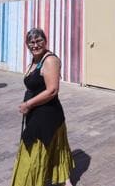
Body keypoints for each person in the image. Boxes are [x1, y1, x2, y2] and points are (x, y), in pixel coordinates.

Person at [11, 28, 74, 186]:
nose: (35, 44)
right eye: (31, 42)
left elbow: (52, 90)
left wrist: (28, 104)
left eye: (39, 41)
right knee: (55, 150)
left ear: (45, 41)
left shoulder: (49, 60)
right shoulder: (35, 60)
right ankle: (66, 181)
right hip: (36, 113)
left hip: (47, 115)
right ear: (27, 44)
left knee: (31, 153)